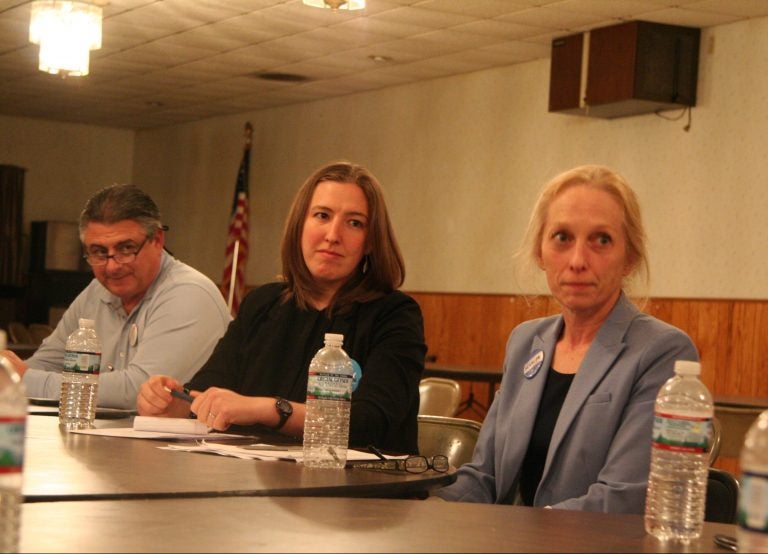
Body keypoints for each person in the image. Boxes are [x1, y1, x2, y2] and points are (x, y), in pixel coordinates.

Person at [434, 164, 699, 513]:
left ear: (629, 258)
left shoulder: (662, 352)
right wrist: (422, 511)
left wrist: (514, 538)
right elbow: (485, 477)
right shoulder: (526, 342)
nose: (577, 261)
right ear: (539, 252)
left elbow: (622, 499)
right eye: (562, 238)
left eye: (601, 240)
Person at [137, 161, 426, 454]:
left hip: (361, 490)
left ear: (370, 242)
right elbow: (211, 389)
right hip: (252, 485)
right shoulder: (262, 304)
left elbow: (370, 422)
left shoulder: (395, 314)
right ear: (300, 226)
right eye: (322, 216)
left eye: (355, 223)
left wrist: (269, 409)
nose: (333, 235)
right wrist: (177, 402)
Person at [1, 184, 231, 409]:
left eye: (126, 249)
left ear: (158, 240)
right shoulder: (98, 290)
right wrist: (9, 374)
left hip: (183, 445)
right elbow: (49, 362)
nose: (112, 267)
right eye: (99, 252)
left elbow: (137, 392)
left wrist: (25, 380)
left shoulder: (189, 294)